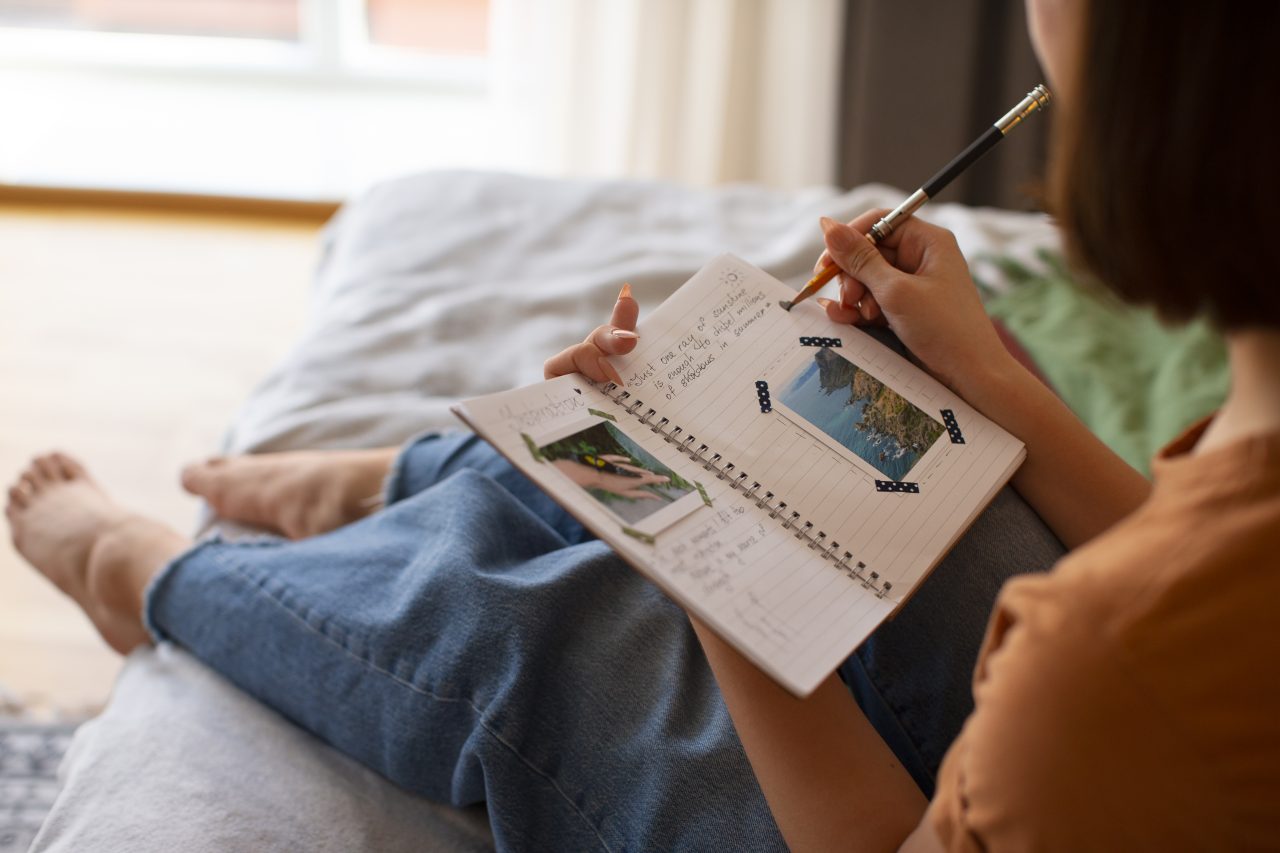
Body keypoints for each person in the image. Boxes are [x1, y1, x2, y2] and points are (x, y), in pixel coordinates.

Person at [6, 0, 1279, 848]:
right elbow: (1171, 548)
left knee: (563, 637)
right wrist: (986, 378)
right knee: (915, 449)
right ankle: (424, 477)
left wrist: (701, 555)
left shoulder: (1100, 668)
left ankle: (153, 576)